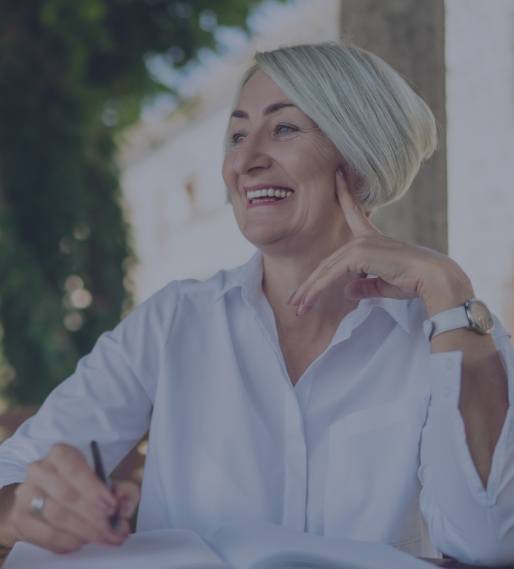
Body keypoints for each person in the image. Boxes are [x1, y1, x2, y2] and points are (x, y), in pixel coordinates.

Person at [0, 41, 513, 565]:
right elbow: (11, 474)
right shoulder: (174, 320)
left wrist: (449, 290)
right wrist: (33, 506)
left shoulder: (454, 335)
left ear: (360, 155)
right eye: (237, 135)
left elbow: (491, 543)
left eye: (285, 128)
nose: (244, 161)